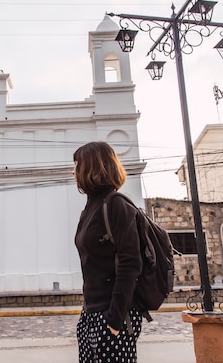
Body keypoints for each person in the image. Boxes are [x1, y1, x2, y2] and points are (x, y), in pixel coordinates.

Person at [73, 141, 143, 363]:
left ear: (90, 167)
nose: (73, 171)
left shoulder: (115, 205)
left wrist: (115, 319)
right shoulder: (90, 208)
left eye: (77, 165)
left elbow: (130, 263)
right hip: (91, 313)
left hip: (113, 315)